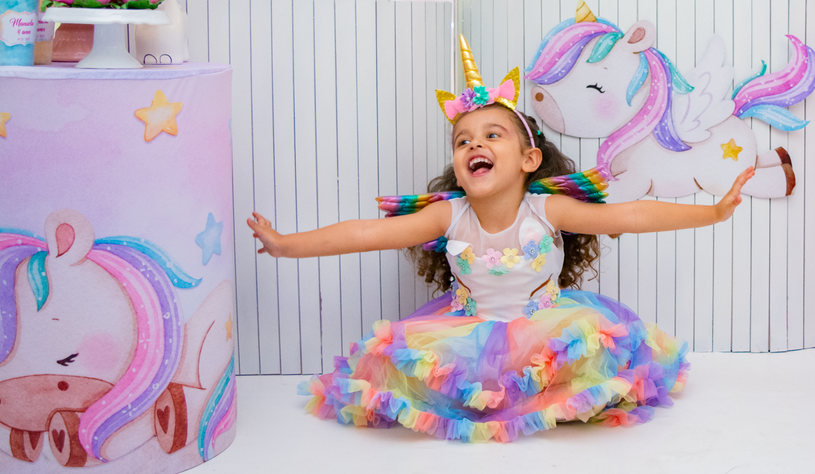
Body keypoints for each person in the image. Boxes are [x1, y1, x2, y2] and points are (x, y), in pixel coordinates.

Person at [247, 36, 752, 443]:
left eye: (493, 135)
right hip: (467, 337)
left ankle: (550, 396)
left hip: (546, 328)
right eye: (463, 140)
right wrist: (287, 244)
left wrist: (712, 212)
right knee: (427, 374)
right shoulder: (447, 216)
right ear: (459, 166)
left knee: (589, 356)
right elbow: (365, 232)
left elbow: (630, 214)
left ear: (529, 160)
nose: (476, 144)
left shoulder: (546, 209)